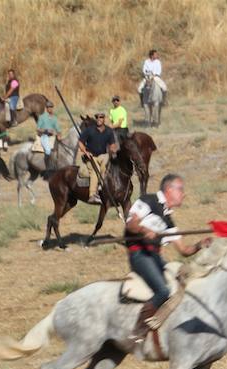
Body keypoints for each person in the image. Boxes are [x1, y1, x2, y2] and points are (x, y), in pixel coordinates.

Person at [124, 174, 211, 342]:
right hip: (140, 253)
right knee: (163, 290)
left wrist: (200, 244)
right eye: (181, 189)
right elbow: (131, 224)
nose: (183, 194)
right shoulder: (148, 200)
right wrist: (144, 230)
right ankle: (138, 331)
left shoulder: (168, 220)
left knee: (183, 279)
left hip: (155, 257)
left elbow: (184, 250)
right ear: (169, 190)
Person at [77, 112, 117, 204]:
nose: (99, 119)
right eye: (97, 117)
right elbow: (80, 142)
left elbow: (112, 144)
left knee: (106, 163)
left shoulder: (109, 131)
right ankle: (92, 195)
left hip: (102, 155)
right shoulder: (89, 130)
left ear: (104, 119)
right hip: (91, 156)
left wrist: (113, 149)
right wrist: (85, 151)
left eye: (101, 117)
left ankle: (101, 186)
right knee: (95, 170)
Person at [36, 101, 60, 171]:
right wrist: (46, 130)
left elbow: (58, 129)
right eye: (49, 107)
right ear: (46, 108)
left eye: (52, 107)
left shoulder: (54, 118)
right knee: (48, 150)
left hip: (53, 137)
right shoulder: (42, 117)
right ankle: (47, 167)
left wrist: (59, 134)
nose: (51, 109)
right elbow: (38, 129)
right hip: (44, 136)